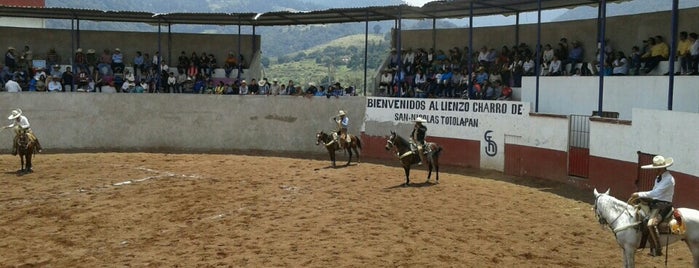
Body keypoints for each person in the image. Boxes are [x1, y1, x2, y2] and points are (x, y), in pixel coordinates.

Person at [628, 155, 675, 257]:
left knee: (651, 224)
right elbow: (655, 194)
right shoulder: (659, 178)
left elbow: (656, 193)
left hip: (663, 205)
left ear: (662, 168)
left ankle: (657, 249)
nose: (655, 171)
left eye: (657, 169)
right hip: (656, 203)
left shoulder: (669, 179)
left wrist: (639, 194)